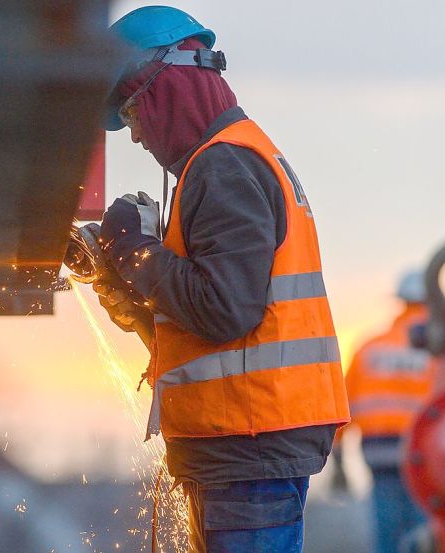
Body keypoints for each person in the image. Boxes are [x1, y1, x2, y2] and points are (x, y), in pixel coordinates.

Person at [94, 6, 350, 552]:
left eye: (133, 113)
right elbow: (219, 319)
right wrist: (133, 287)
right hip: (246, 444)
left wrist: (134, 249)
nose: (136, 136)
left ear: (164, 87)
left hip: (249, 446)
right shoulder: (229, 160)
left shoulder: (224, 165)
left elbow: (224, 311)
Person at [333, 271, 437, 553]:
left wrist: (338, 456)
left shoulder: (370, 347)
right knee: (428, 533)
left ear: (400, 302)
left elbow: (342, 405)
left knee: (388, 534)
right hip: (426, 457)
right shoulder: (437, 351)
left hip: (379, 454)